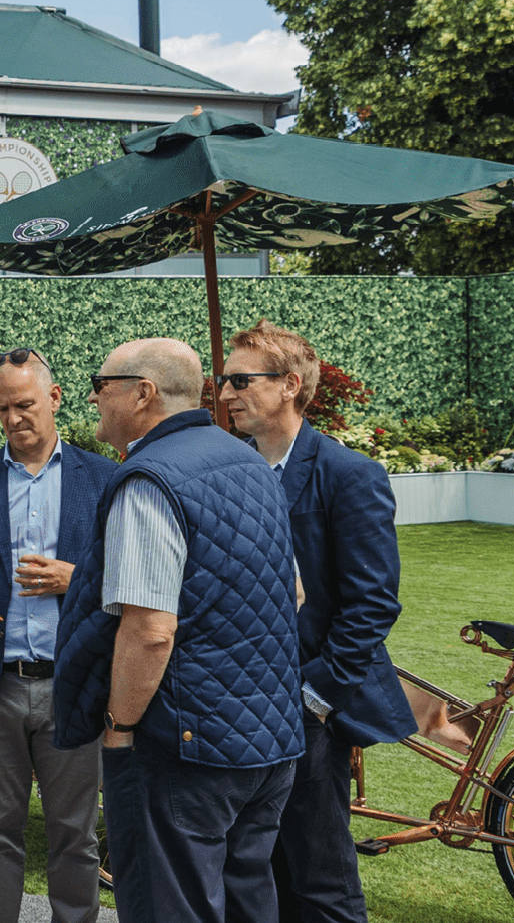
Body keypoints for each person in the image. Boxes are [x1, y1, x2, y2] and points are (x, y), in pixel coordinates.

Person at [53, 339, 303, 923]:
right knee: (248, 902)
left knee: (168, 907)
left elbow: (151, 631)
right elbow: (292, 593)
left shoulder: (150, 479)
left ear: (143, 394)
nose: (92, 396)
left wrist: (118, 729)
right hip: (269, 740)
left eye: (102, 383)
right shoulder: (251, 462)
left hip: (183, 746)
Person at [224, 323, 417, 923]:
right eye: (222, 380)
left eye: (240, 380)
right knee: (256, 874)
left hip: (308, 709)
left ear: (289, 385)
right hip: (239, 702)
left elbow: (373, 603)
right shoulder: (229, 470)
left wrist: (316, 695)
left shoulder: (348, 474)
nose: (226, 392)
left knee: (321, 880)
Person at [0, 348, 118, 923]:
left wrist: (73, 578)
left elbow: (127, 573)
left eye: (25, 404)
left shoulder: (104, 478)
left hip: (74, 686)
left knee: (75, 838)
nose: (13, 418)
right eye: (2, 407)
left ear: (55, 398)